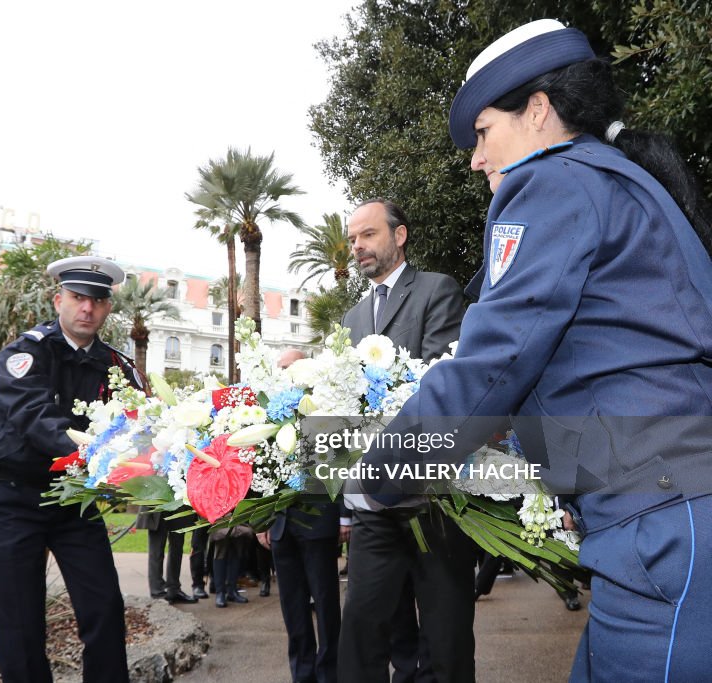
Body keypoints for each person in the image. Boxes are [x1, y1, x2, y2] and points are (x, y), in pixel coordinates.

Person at [359, 18, 712, 682]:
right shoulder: (611, 182)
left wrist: (378, 473)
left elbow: (495, 362)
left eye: (483, 132)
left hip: (662, 532)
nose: (474, 157)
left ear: (540, 111)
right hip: (663, 526)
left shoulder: (554, 181)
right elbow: (584, 378)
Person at [0, 255, 145, 683]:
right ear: (58, 300)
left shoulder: (118, 367)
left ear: (107, 308)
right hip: (13, 497)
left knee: (104, 609)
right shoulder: (24, 353)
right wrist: (94, 452)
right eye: (76, 297)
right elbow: (33, 417)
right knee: (19, 625)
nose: (86, 308)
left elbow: (143, 420)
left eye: (96, 300)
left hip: (72, 501)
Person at [338, 199, 478, 683]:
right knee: (359, 625)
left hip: (434, 502)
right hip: (373, 505)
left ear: (399, 236)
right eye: (353, 238)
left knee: (446, 639)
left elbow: (441, 379)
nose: (357, 246)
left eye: (368, 235)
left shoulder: (437, 290)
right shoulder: (351, 319)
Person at [256, 347, 347, 683]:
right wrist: (261, 522)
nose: (285, 372)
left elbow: (341, 466)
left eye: (291, 366)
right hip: (281, 527)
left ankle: (330, 674)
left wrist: (345, 517)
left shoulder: (325, 410)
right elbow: (259, 471)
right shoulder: (267, 411)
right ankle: (302, 674)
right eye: (281, 367)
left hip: (319, 524)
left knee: (325, 606)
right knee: (293, 610)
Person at [137, 507, 198, 604]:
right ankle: (157, 592)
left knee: (177, 546)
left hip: (179, 502)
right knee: (156, 549)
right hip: (157, 501)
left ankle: (174, 589)